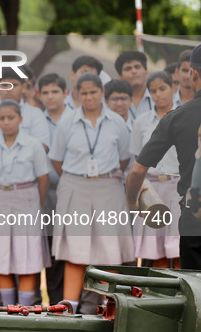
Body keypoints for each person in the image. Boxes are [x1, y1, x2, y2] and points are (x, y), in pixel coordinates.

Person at [49, 73, 134, 313]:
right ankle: (69, 308)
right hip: (76, 186)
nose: (89, 97)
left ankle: (108, 307)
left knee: (109, 250)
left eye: (93, 92)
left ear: (102, 92)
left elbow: (124, 157)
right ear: (77, 94)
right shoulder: (66, 122)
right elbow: (57, 159)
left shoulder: (117, 122)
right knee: (75, 252)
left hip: (108, 187)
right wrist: (80, 177)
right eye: (83, 93)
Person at [126, 44, 201, 269]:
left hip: (195, 214)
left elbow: (138, 169)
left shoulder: (176, 118)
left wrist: (133, 201)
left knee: (196, 290)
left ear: (192, 74)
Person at [0, 100, 50, 307]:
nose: (6, 122)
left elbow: (43, 180)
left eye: (11, 117)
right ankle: (9, 308)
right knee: (3, 256)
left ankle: (25, 310)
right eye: (1, 118)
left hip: (26, 200)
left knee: (27, 255)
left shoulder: (33, 145)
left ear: (20, 119)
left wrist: (33, 202)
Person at [129, 71, 180, 268]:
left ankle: (183, 293)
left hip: (178, 186)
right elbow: (137, 158)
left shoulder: (186, 117)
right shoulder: (142, 121)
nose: (158, 94)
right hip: (151, 189)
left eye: (162, 89)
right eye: (153, 91)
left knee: (178, 245)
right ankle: (162, 293)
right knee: (156, 248)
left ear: (173, 88)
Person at [37, 73, 73, 306]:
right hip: (46, 192)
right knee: (51, 251)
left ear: (66, 93)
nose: (51, 97)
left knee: (73, 247)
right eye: (46, 92)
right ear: (39, 96)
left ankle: (74, 302)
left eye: (55, 91)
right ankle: (55, 302)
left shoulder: (75, 118)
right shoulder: (35, 121)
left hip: (72, 190)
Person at [0, 67, 49, 148]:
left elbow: (42, 146)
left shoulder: (35, 115)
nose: (9, 89)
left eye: (14, 85)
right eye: (4, 85)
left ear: (23, 87)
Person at [115, 50, 153, 119]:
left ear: (146, 72)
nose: (134, 71)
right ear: (120, 76)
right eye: (128, 69)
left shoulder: (158, 98)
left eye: (137, 67)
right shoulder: (114, 102)